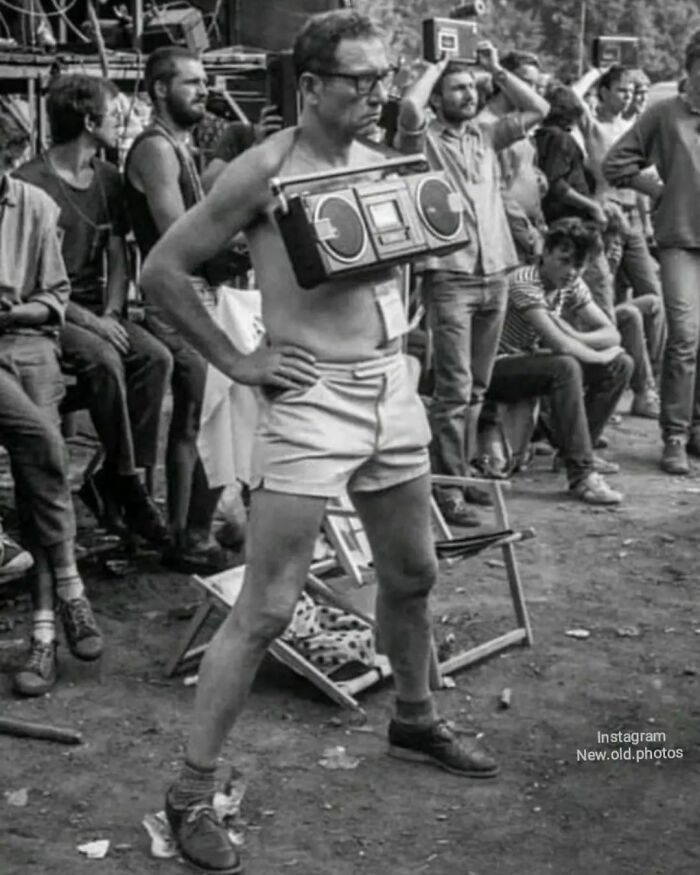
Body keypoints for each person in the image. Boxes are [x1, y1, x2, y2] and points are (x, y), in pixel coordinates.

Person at [140, 11, 500, 874]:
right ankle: (191, 788)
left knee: (413, 575)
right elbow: (162, 271)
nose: (378, 93)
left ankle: (413, 714)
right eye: (360, 81)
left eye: (383, 78)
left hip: (390, 389)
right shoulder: (258, 172)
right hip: (310, 400)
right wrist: (238, 356)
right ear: (310, 86)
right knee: (266, 605)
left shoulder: (384, 161)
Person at [396, 45, 549, 527]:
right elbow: (407, 108)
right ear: (439, 97)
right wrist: (437, 65)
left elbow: (539, 109)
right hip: (449, 275)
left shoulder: (486, 134)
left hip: (496, 273)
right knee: (453, 389)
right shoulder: (424, 139)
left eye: (471, 87)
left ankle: (461, 477)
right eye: (457, 88)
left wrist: (497, 69)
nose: (469, 94)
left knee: (478, 387)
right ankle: (447, 491)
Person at [15, 74, 172, 542]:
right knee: (103, 360)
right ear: (89, 120)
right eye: (114, 110)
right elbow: (24, 280)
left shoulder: (109, 179)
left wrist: (111, 311)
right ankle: (128, 484)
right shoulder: (30, 184)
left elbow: (118, 256)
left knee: (154, 358)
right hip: (47, 312)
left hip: (97, 309)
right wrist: (87, 320)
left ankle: (110, 477)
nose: (122, 120)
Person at [0, 110, 102, 695]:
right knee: (43, 445)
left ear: (11, 159)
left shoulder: (36, 206)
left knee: (43, 473)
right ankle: (70, 584)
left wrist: (17, 312)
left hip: (25, 339)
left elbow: (53, 298)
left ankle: (43, 636)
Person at [124, 47, 229, 570]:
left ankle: (192, 529)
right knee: (198, 417)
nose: (204, 89)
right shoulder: (155, 149)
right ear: (160, 89)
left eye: (205, 81)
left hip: (193, 291)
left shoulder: (179, 147)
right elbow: (178, 232)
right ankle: (188, 538)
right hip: (175, 295)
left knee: (207, 414)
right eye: (191, 82)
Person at [604, 36, 700, 475]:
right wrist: (657, 189)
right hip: (679, 239)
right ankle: (674, 436)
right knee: (684, 338)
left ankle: (696, 428)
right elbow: (615, 164)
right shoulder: (664, 113)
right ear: (692, 66)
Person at [485, 218, 632, 503]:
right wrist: (598, 353)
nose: (571, 271)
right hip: (494, 367)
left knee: (621, 365)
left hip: (528, 361)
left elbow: (611, 333)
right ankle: (582, 475)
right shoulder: (524, 281)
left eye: (579, 265)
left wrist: (576, 334)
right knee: (566, 366)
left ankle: (574, 453)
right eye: (564, 261)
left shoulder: (572, 283)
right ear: (546, 252)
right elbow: (559, 344)